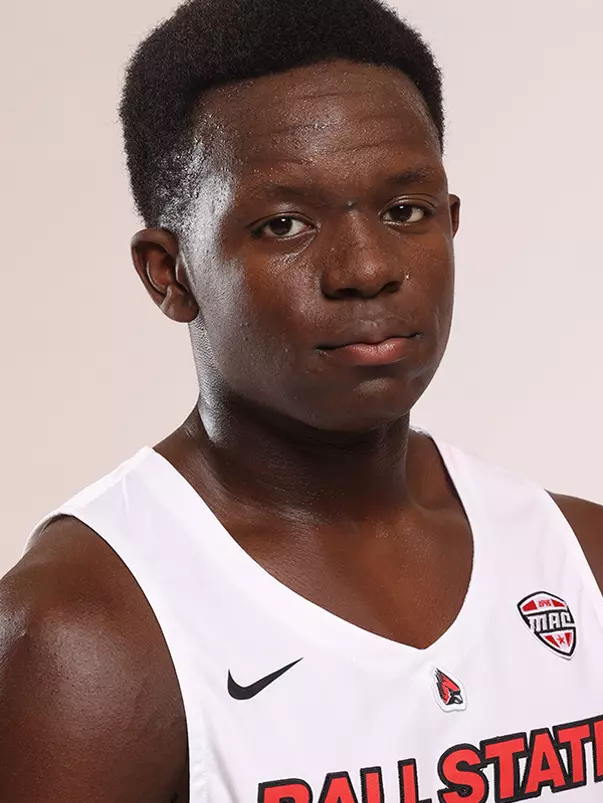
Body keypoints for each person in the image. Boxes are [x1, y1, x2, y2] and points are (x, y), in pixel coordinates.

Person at [1, 0, 602, 800]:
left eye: (404, 212)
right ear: (169, 273)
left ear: (450, 224)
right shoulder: (86, 629)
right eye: (284, 225)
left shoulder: (579, 562)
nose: (366, 268)